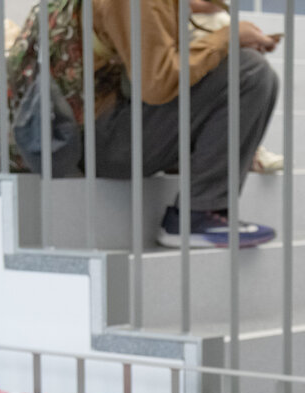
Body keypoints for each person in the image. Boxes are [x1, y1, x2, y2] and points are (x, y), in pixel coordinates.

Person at [90, 0, 280, 248]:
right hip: (103, 142)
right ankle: (196, 215)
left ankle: (202, 209)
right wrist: (227, 38)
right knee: (249, 71)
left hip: (103, 131)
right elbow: (157, 83)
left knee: (245, 70)